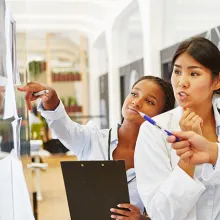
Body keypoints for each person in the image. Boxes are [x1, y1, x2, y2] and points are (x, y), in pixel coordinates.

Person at [18, 76, 175, 220]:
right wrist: (50, 96)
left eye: (150, 102)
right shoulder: (92, 139)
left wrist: (141, 219)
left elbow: (170, 211)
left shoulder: (162, 158)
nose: (137, 102)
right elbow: (61, 126)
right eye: (134, 94)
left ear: (161, 116)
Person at [135, 37, 220, 220]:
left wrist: (214, 152)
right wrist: (187, 161)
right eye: (177, 72)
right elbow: (161, 213)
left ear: (216, 82)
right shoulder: (153, 131)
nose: (182, 82)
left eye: (194, 74)